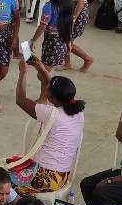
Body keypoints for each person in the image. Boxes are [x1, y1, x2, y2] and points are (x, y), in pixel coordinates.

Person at [14, 60, 85, 196]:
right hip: (61, 176)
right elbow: (54, 85)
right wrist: (39, 66)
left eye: (47, 90)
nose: (45, 89)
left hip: (45, 176)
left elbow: (20, 99)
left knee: (3, 186)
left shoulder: (51, 113)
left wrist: (23, 71)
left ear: (53, 98)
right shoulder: (78, 110)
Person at [28, 0, 74, 70]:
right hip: (61, 42)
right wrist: (68, 41)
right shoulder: (69, 5)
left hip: (52, 42)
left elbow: (42, 27)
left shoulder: (49, 6)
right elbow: (69, 24)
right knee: (46, 71)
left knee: (43, 73)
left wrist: (33, 41)